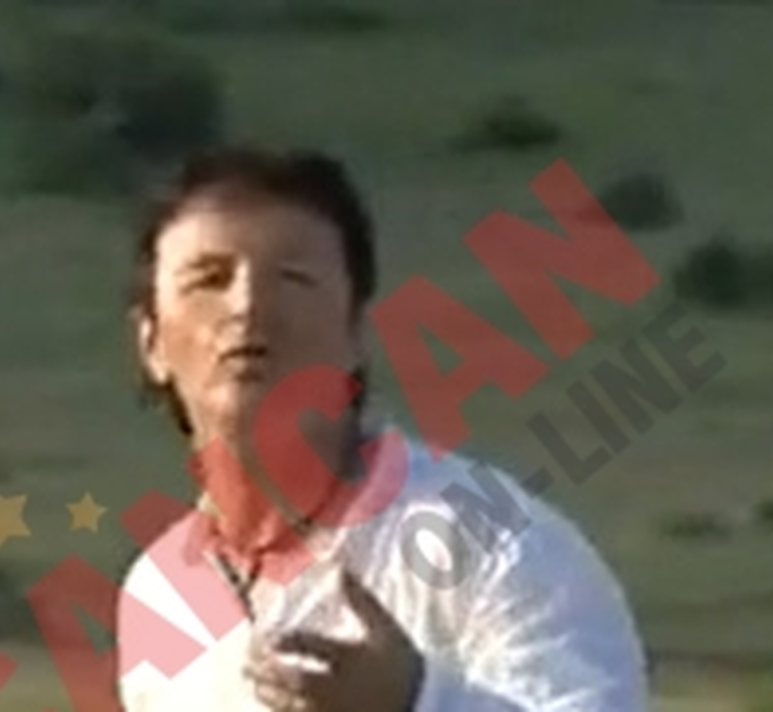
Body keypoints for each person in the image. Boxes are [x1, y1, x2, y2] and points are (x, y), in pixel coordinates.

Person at [116, 145, 650, 711]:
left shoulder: (492, 541)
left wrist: (416, 701)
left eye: (293, 278)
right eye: (209, 279)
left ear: (356, 333)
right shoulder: (159, 595)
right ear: (151, 343)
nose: (247, 306)